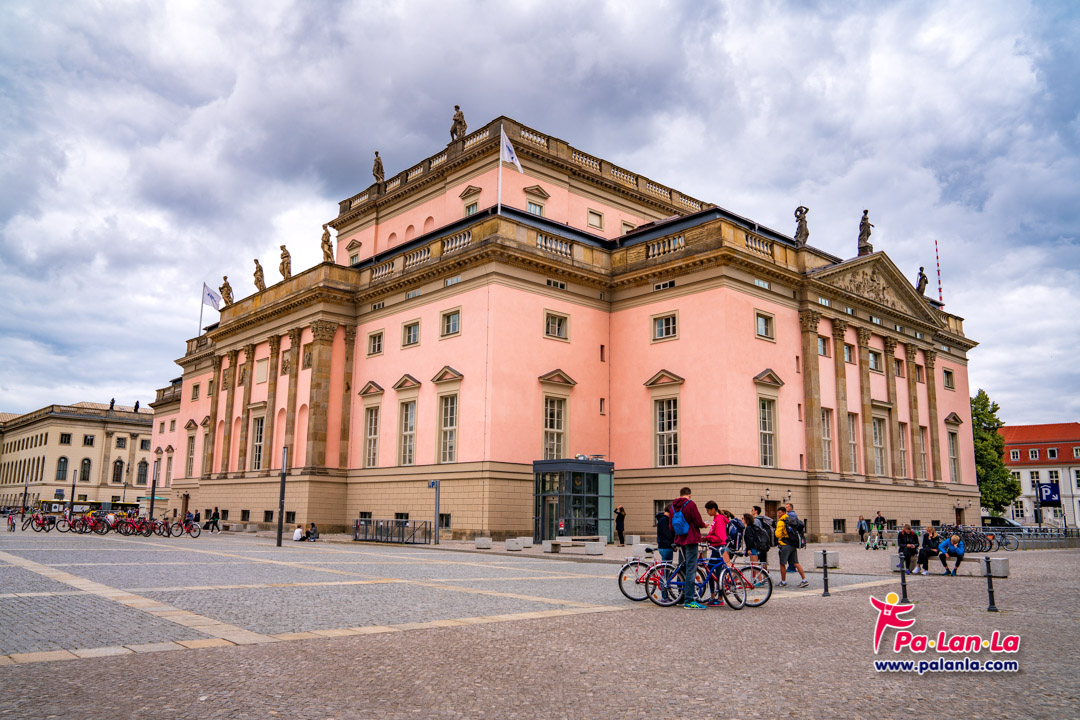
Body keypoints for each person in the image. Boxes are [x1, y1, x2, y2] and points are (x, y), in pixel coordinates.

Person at [671, 487, 708, 609]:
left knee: (681, 567)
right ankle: (689, 600)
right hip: (691, 539)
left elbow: (671, 526)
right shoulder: (690, 504)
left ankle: (680, 597)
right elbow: (697, 521)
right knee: (691, 569)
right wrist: (704, 525)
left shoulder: (672, 506)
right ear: (689, 495)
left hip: (679, 539)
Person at [703, 501, 729, 607]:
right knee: (711, 571)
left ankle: (719, 597)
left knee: (717, 573)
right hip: (716, 548)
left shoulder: (719, 519)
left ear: (714, 509)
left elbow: (720, 537)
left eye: (708, 510)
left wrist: (707, 538)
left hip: (718, 548)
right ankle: (714, 596)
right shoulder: (716, 519)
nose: (708, 512)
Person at [776, 507, 808, 588]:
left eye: (779, 513)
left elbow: (778, 534)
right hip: (793, 544)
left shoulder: (781, 521)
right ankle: (804, 580)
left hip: (784, 544)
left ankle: (783, 582)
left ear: (783, 512)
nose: (778, 514)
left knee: (782, 563)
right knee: (795, 562)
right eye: (778, 513)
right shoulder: (791, 519)